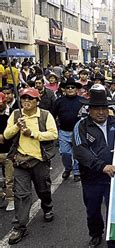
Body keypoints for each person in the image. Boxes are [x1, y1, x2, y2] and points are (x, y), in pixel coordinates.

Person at [72, 84, 115, 248]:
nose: (101, 112)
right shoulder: (81, 126)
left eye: (104, 108)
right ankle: (96, 233)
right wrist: (101, 166)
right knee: (93, 210)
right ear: (89, 109)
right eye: (96, 109)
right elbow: (80, 151)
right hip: (92, 178)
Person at [4, 88, 58, 245]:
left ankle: (47, 207)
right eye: (24, 98)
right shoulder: (16, 114)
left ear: (37, 101)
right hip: (20, 161)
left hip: (39, 161)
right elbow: (7, 134)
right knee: (21, 195)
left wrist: (32, 133)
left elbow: (53, 134)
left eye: (30, 99)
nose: (26, 101)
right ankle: (20, 227)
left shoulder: (45, 115)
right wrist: (17, 127)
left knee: (43, 189)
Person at [51, 78, 84, 182]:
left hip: (78, 132)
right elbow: (52, 116)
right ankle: (68, 168)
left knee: (77, 154)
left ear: (76, 89)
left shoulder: (82, 101)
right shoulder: (59, 101)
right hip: (63, 132)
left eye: (72, 87)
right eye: (67, 87)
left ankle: (77, 171)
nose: (70, 89)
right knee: (65, 153)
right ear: (64, 89)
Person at [0, 92, 14, 211]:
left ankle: (11, 199)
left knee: (9, 179)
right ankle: (1, 196)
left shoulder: (13, 114)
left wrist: (4, 135)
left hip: (9, 151)